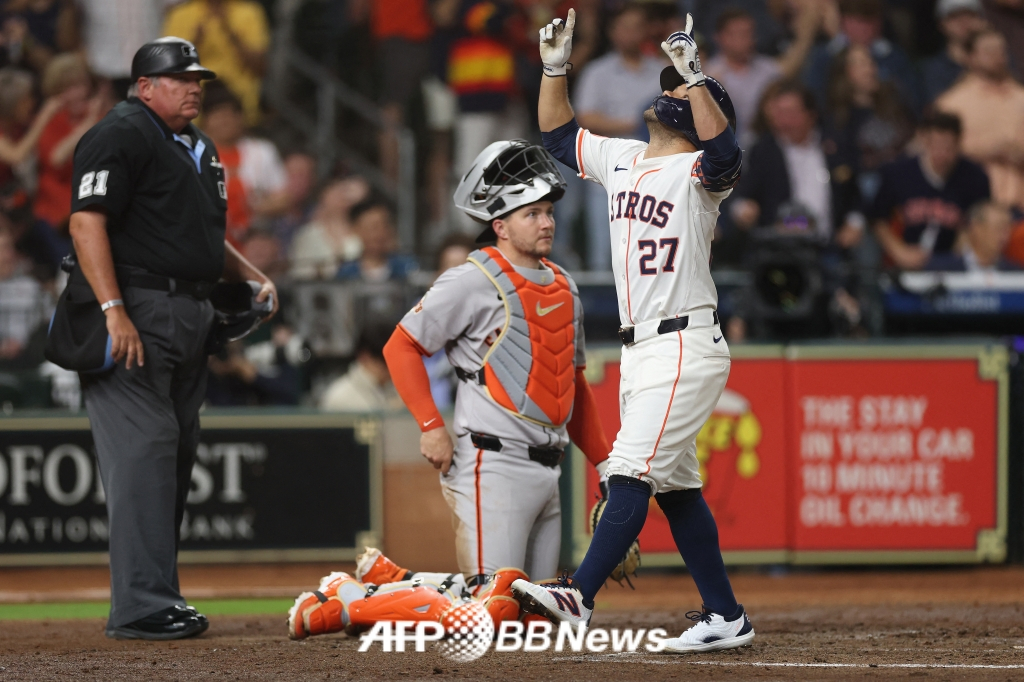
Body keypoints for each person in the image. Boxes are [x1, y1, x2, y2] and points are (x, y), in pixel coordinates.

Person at [511, 10, 754, 653]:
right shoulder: (622, 156)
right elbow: (558, 136)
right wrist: (555, 68)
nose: (667, 90)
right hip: (641, 347)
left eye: (679, 90)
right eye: (671, 84)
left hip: (683, 343)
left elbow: (727, 157)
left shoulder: (698, 172)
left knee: (630, 469)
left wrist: (695, 77)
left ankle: (578, 594)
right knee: (676, 489)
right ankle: (725, 614)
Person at [67, 37, 277, 640]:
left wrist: (250, 276)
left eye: (197, 79)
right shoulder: (120, 133)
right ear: (144, 86)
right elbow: (85, 221)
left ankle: (157, 597)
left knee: (175, 453)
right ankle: (140, 606)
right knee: (145, 452)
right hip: (135, 307)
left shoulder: (197, 144)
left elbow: (204, 238)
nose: (193, 88)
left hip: (190, 311)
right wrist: (113, 310)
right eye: (180, 79)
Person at [380, 138, 611, 587]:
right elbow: (401, 346)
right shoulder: (470, 280)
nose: (547, 223)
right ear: (500, 225)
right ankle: (357, 598)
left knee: (535, 612)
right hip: (492, 464)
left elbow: (573, 384)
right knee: (494, 602)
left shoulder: (564, 285)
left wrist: (604, 465)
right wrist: (430, 425)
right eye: (532, 214)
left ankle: (382, 588)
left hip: (549, 469)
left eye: (549, 212)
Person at [571, 4, 666, 270]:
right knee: (606, 248)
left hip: (656, 166)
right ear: (612, 32)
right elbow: (585, 118)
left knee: (652, 244)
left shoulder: (663, 70)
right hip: (609, 167)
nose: (631, 34)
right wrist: (638, 124)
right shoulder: (596, 72)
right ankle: (602, 285)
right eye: (625, 27)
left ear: (647, 31)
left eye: (637, 27)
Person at [731, 80, 861, 246]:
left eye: (790, 113)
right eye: (779, 113)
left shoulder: (834, 146)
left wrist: (854, 223)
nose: (784, 121)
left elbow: (854, 194)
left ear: (811, 115)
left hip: (830, 245)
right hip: (781, 247)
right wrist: (744, 210)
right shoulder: (763, 150)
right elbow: (742, 194)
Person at [871, 113, 991, 271]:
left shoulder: (975, 177)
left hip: (952, 265)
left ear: (958, 144)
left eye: (948, 148)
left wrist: (961, 251)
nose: (942, 154)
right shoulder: (898, 173)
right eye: (936, 146)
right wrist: (899, 251)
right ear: (925, 141)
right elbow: (878, 219)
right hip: (904, 264)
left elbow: (980, 222)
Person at [703, 4, 820, 149]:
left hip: (768, 142)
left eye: (749, 33)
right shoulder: (710, 74)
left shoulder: (767, 69)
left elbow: (788, 70)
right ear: (720, 37)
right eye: (738, 34)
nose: (745, 39)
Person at [935, 28, 1024, 210]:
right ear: (970, 57)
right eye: (989, 50)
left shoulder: (1020, 97)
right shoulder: (952, 104)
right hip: (976, 202)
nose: (997, 56)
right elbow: (940, 149)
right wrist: (988, 149)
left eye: (1001, 50)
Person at [199, 81, 287, 245]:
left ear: (240, 118)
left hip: (256, 238)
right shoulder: (193, 155)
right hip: (209, 239)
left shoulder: (263, 151)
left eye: (229, 115)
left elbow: (284, 198)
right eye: (217, 115)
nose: (224, 121)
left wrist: (258, 207)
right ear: (205, 121)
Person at [33, 54, 109, 238]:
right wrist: (88, 123)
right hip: (58, 210)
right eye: (67, 88)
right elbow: (57, 159)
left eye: (80, 85)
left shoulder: (102, 116)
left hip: (97, 202)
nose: (76, 94)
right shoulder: (50, 121)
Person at [803, 0, 922, 114]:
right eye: (858, 21)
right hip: (837, 122)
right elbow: (812, 101)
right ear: (843, 21)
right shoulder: (824, 56)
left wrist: (879, 88)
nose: (865, 29)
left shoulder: (894, 56)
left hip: (886, 121)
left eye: (870, 21)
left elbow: (913, 101)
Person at [162, 0, 270, 125]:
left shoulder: (249, 12)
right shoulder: (180, 15)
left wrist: (231, 34)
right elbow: (169, 70)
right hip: (193, 111)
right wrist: (195, 43)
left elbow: (260, 68)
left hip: (240, 108)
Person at [289, 176, 369, 280]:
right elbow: (299, 273)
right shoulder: (307, 234)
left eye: (343, 192)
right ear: (322, 196)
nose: (339, 197)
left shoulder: (362, 233)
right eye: (334, 192)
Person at [320, 322, 403, 411]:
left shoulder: (396, 391)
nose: (391, 369)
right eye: (385, 362)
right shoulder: (340, 398)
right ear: (365, 356)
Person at [335, 198, 418, 282]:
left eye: (385, 225)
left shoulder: (408, 268)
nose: (380, 233)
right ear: (356, 229)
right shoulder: (346, 272)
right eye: (373, 227)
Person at [922, 0, 988, 105]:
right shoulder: (935, 70)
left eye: (970, 15)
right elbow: (940, 108)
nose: (964, 22)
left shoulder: (1000, 58)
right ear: (941, 23)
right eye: (954, 16)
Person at [926, 201, 1018, 271]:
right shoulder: (941, 268)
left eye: (1008, 229)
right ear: (976, 228)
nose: (1005, 236)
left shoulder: (1015, 273)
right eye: (999, 228)